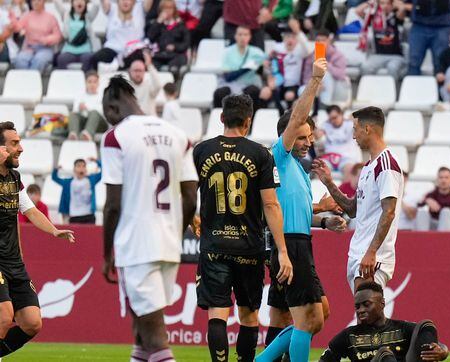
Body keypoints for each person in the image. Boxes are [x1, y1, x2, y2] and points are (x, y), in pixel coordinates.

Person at [100, 76, 198, 362]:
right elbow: (191, 198)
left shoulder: (116, 137)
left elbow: (113, 205)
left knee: (155, 337)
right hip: (168, 244)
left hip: (136, 245)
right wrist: (175, 235)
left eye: (107, 115)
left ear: (112, 107)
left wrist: (107, 253)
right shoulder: (179, 135)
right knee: (141, 332)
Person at [257, 58, 347, 362]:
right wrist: (316, 81)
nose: (309, 142)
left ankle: (263, 360)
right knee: (309, 320)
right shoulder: (278, 156)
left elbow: (295, 209)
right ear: (288, 134)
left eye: (311, 137)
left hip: (300, 242)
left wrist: (322, 219)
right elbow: (297, 117)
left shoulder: (296, 167)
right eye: (303, 136)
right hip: (290, 245)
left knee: (318, 314)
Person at [192, 93, 293, 362]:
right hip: (249, 247)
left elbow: (189, 194)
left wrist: (193, 217)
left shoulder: (201, 151)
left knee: (217, 313)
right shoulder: (260, 154)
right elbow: (271, 205)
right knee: (248, 315)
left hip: (214, 246)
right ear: (248, 121)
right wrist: (282, 250)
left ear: (222, 118)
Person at [0, 121, 75, 359]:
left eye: (19, 142)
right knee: (3, 315)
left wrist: (54, 231)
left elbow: (30, 211)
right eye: (14, 143)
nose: (20, 148)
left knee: (32, 323)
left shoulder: (14, 178)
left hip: (14, 263)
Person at [313, 106, 404, 292]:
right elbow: (353, 209)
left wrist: (372, 252)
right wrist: (330, 183)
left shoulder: (386, 165)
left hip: (372, 257)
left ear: (368, 129)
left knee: (369, 314)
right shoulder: (369, 166)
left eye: (355, 129)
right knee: (365, 314)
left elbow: (389, 211)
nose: (353, 136)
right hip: (358, 252)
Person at [319, 282, 449, 362]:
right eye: (357, 307)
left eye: (366, 304)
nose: (361, 310)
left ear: (382, 303)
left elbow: (438, 345)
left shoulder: (401, 328)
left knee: (426, 326)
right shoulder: (349, 335)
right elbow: (326, 358)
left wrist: (443, 351)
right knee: (384, 354)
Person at [213, 26, 272, 112]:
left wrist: (268, 87)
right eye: (240, 34)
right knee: (220, 93)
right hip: (231, 84)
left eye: (245, 34)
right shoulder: (227, 52)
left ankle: (251, 123)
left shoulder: (257, 52)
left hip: (250, 84)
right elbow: (227, 76)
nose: (242, 37)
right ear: (235, 36)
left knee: (253, 92)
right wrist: (249, 66)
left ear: (250, 36)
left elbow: (265, 72)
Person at [87, 0, 152, 71]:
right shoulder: (111, 8)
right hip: (112, 48)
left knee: (144, 60)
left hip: (133, 51)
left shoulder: (140, 8)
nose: (125, 2)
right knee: (94, 59)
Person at [269, 19, 310, 114]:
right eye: (287, 37)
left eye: (292, 37)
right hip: (280, 83)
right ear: (283, 38)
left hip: (294, 86)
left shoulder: (299, 52)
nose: (290, 40)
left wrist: (298, 31)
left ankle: (290, 115)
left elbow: (307, 49)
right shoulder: (278, 50)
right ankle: (280, 115)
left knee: (289, 95)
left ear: (297, 39)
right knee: (268, 89)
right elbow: (270, 65)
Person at [359, 0, 407, 80]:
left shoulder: (396, 17)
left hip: (395, 56)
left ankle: (392, 91)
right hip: (377, 55)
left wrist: (395, 2)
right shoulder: (373, 17)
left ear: (392, 5)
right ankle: (371, 90)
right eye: (382, 3)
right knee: (365, 67)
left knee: (392, 68)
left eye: (388, 4)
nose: (385, 6)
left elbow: (402, 8)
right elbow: (358, 11)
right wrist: (371, 2)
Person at [402, 0, 450, 76]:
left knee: (440, 63)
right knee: (414, 61)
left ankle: (439, 87)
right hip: (419, 24)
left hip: (442, 25)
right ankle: (412, 87)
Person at [301, 29, 348, 109]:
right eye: (318, 40)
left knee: (325, 73)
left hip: (336, 87)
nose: (320, 43)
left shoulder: (338, 55)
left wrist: (325, 63)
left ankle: (325, 105)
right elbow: (305, 78)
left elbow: (341, 75)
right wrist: (315, 84)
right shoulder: (311, 56)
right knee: (301, 90)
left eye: (323, 40)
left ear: (329, 41)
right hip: (316, 88)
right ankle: (310, 108)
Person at [11, 0, 62, 71]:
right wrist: (12, 18)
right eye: (33, 0)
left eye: (39, 0)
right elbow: (17, 28)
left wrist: (46, 39)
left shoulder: (51, 17)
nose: (35, 2)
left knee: (39, 60)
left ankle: (32, 80)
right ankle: (24, 80)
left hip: (45, 48)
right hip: (29, 48)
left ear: (44, 2)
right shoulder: (27, 16)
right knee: (20, 59)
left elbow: (58, 36)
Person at [52, 158, 102, 225]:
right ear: (74, 169)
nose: (81, 168)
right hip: (74, 216)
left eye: (83, 166)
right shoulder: (68, 182)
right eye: (78, 166)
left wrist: (97, 161)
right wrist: (55, 170)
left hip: (89, 215)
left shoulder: (91, 180)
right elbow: (54, 178)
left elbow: (103, 172)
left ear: (86, 169)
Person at [146, 0, 190, 76]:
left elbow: (186, 43)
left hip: (176, 55)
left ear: (174, 10)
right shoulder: (157, 24)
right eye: (165, 8)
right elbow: (150, 37)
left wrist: (175, 47)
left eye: (170, 8)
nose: (168, 11)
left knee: (174, 68)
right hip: (160, 55)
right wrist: (158, 22)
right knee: (151, 67)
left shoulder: (180, 25)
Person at [317, 105, 361, 179]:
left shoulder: (350, 124)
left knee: (349, 171)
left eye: (335, 117)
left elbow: (362, 119)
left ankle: (344, 190)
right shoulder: (326, 125)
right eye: (330, 119)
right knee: (319, 169)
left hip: (346, 158)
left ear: (341, 114)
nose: (333, 121)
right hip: (330, 157)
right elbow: (317, 136)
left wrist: (353, 118)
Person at [54, 0, 99, 69]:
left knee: (88, 58)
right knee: (61, 59)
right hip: (69, 50)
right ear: (72, 3)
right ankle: (65, 79)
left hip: (85, 50)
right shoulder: (66, 15)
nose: (79, 2)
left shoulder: (88, 16)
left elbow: (96, 5)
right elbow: (57, 3)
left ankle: (86, 79)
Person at [68, 71, 106, 141]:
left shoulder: (102, 96)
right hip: (84, 122)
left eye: (95, 82)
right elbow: (75, 110)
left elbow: (101, 112)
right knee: (73, 114)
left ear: (98, 83)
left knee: (94, 113)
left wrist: (87, 108)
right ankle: (73, 134)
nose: (92, 84)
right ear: (85, 83)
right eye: (89, 82)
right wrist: (80, 108)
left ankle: (87, 134)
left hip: (99, 124)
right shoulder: (79, 96)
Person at [128, 51, 162, 116]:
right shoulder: (126, 88)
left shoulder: (149, 86)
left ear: (144, 72)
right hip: (133, 122)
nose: (138, 74)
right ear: (130, 72)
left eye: (140, 71)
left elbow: (158, 85)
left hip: (148, 122)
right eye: (135, 70)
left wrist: (149, 65)